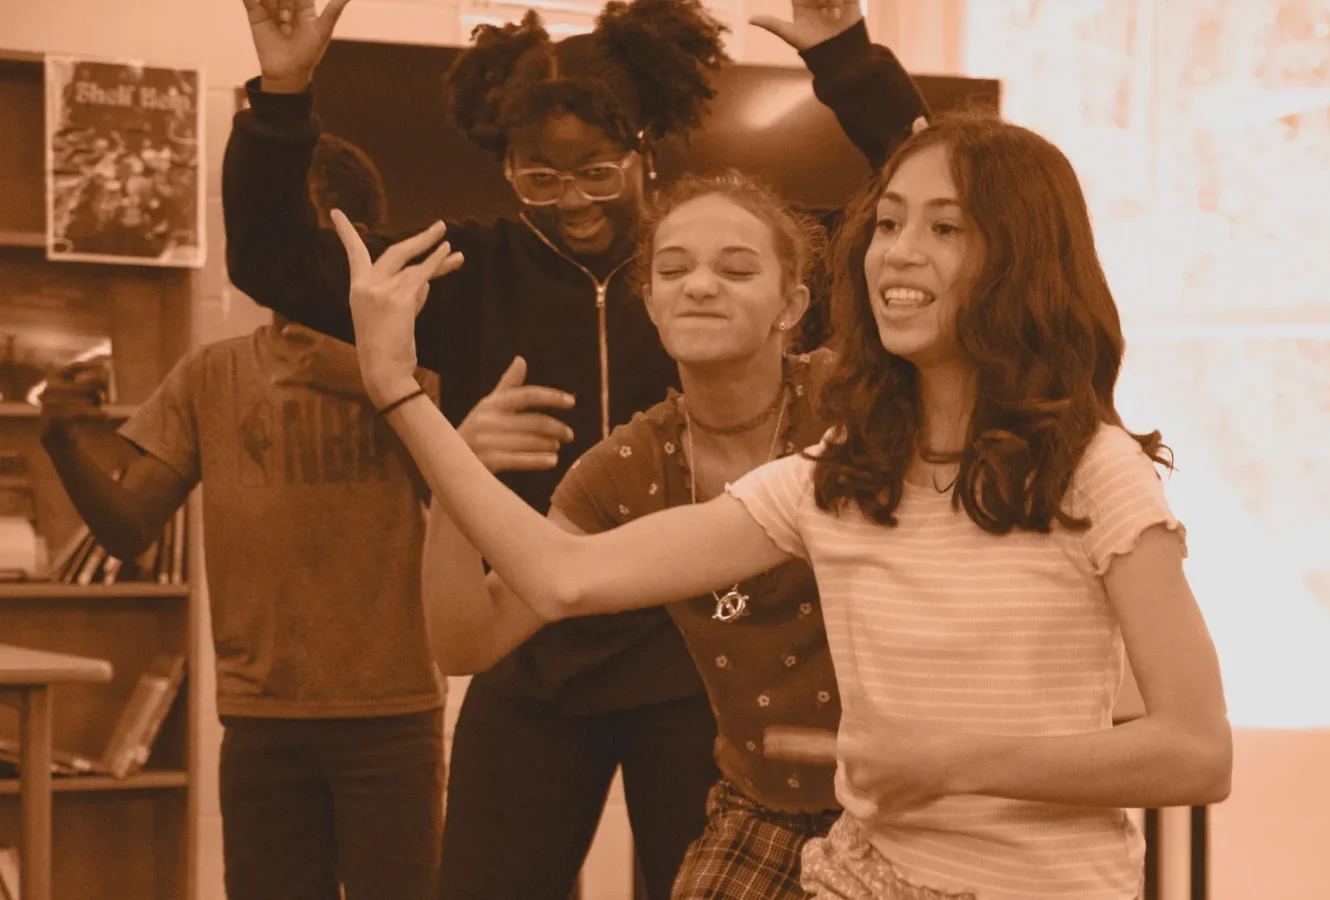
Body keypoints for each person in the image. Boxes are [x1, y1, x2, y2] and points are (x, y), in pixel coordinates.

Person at [336, 111, 1233, 900]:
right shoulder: (841, 471)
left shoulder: (1095, 471)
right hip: (856, 871)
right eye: (886, 223)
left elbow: (1196, 752)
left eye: (946, 226)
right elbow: (560, 578)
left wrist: (952, 761)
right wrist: (397, 393)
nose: (899, 249)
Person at [227, 1, 928, 897]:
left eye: (599, 174)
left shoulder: (717, 275)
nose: (575, 204)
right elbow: (271, 257)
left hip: (699, 664)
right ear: (507, 169)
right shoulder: (470, 273)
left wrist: (848, 60)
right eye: (540, 181)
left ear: (644, 149)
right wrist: (282, 94)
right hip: (531, 641)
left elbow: (928, 199)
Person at [39, 134, 446, 900]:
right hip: (262, 719)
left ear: (361, 246)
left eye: (307, 237)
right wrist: (61, 439)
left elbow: (469, 506)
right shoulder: (212, 373)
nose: (284, 261)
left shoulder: (418, 373)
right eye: (268, 236)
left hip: (389, 716)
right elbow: (130, 528)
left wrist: (369, 376)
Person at [425, 171, 848, 898]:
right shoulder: (628, 464)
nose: (700, 286)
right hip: (761, 806)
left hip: (900, 790)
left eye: (736, 268)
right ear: (649, 302)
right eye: (673, 269)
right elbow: (469, 641)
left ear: (793, 305)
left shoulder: (855, 404)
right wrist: (451, 479)